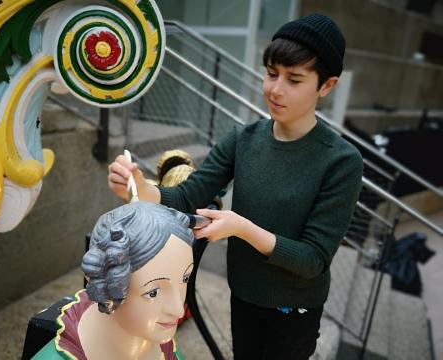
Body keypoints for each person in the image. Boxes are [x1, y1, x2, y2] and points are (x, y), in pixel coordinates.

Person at [108, 13, 363, 360]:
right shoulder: (244, 139)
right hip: (243, 293)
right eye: (272, 73)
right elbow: (186, 196)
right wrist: (138, 188)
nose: (275, 89)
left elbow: (313, 258)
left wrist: (240, 228)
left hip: (294, 310)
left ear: (327, 85)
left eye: (294, 79)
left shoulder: (341, 161)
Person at [32, 201, 194, 360]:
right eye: (152, 293)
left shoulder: (159, 344)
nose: (178, 309)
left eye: (185, 278)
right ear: (107, 289)